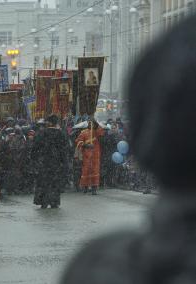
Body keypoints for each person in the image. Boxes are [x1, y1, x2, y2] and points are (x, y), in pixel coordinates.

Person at [61, 14, 196, 284]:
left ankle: (92, 185)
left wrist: (93, 135)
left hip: (96, 155)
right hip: (89, 155)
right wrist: (84, 140)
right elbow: (79, 141)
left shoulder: (99, 264)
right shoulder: (103, 267)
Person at [32, 115, 68, 208]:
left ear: (50, 123)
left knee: (44, 183)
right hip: (56, 163)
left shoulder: (42, 133)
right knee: (54, 183)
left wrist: (35, 159)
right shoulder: (61, 134)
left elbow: (35, 148)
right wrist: (64, 162)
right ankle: (54, 201)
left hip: (44, 163)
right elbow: (64, 150)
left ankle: (44, 201)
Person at [75, 119, 104, 195]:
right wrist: (86, 145)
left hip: (95, 155)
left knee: (95, 171)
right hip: (86, 155)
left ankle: (94, 189)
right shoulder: (83, 132)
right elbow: (78, 141)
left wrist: (96, 124)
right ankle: (85, 187)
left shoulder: (96, 132)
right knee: (86, 171)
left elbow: (101, 133)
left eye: (92, 123)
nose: (91, 125)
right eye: (89, 123)